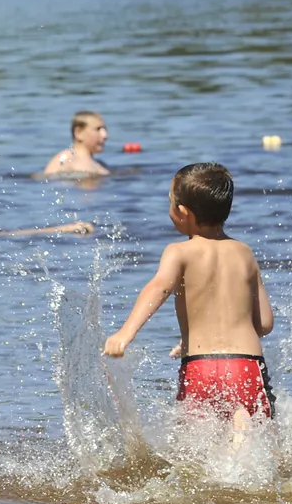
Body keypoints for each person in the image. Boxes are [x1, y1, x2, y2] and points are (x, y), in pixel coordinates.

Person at [102, 162, 275, 421]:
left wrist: (126, 333)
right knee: (263, 439)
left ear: (182, 212)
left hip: (199, 365)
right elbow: (264, 323)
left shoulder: (178, 251)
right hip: (245, 364)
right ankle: (242, 424)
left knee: (196, 449)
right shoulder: (244, 253)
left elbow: (159, 287)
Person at [40, 111, 111, 178]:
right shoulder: (71, 161)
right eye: (98, 129)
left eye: (104, 129)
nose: (105, 135)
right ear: (79, 133)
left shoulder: (99, 163)